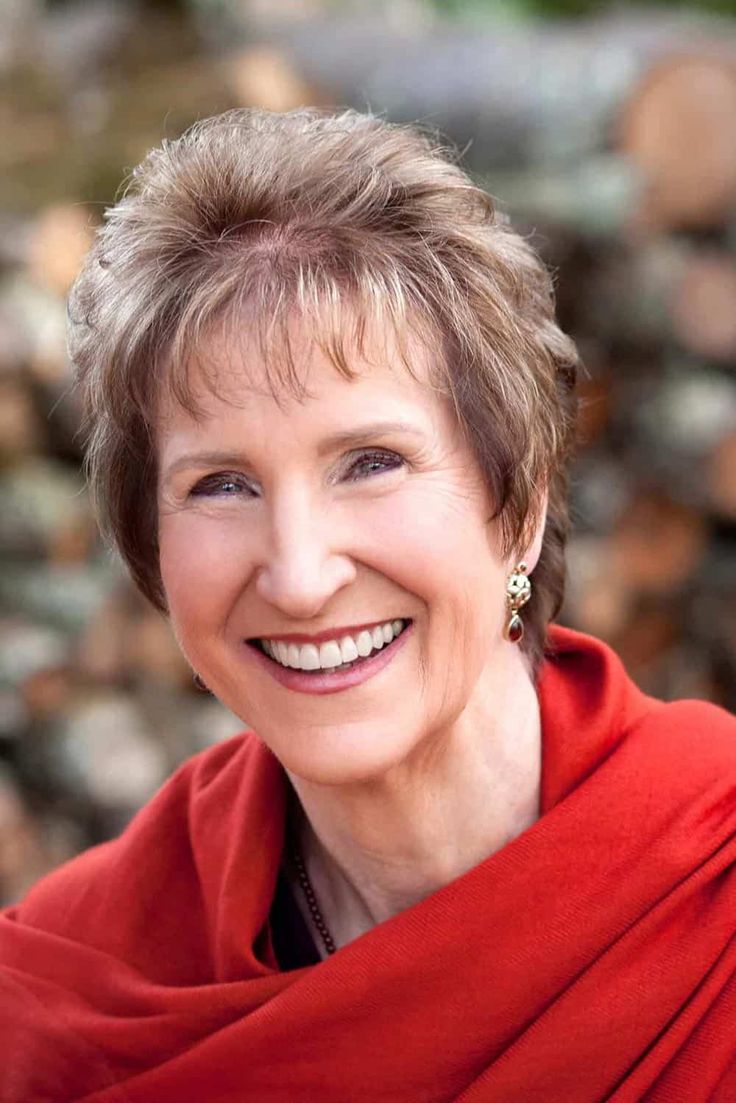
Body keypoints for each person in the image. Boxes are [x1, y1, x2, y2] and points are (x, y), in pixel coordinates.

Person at [1, 108, 735, 1103]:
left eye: (371, 462)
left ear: (517, 505)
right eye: (221, 483)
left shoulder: (712, 891)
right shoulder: (74, 985)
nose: (299, 576)